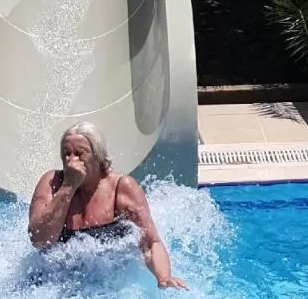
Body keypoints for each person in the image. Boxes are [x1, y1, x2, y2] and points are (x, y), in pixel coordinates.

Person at [28, 121, 188, 289]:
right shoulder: (52, 183)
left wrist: (163, 277)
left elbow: (150, 243)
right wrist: (68, 187)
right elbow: (40, 241)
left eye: (80, 154)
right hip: (54, 281)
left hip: (105, 284)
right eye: (67, 154)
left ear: (98, 156)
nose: (71, 161)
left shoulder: (121, 187)